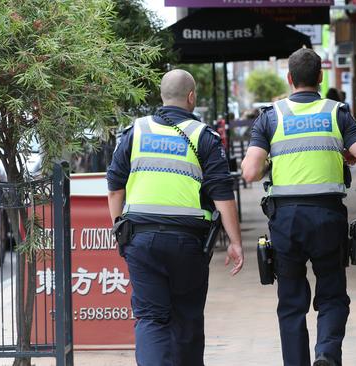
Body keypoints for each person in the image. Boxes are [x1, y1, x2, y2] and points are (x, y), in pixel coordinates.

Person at [241, 48, 356, 366]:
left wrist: (271, 158)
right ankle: (327, 354)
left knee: (291, 303)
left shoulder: (270, 117)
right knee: (332, 293)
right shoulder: (337, 112)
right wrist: (346, 149)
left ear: (289, 79)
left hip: (286, 220)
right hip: (327, 217)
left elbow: (249, 172)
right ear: (320, 77)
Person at [107, 69, 244, 366]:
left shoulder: (137, 131)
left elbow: (115, 186)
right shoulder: (204, 137)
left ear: (161, 95)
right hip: (187, 244)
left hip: (140, 240)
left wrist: (118, 228)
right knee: (187, 317)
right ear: (191, 97)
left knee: (150, 318)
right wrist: (235, 242)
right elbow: (222, 195)